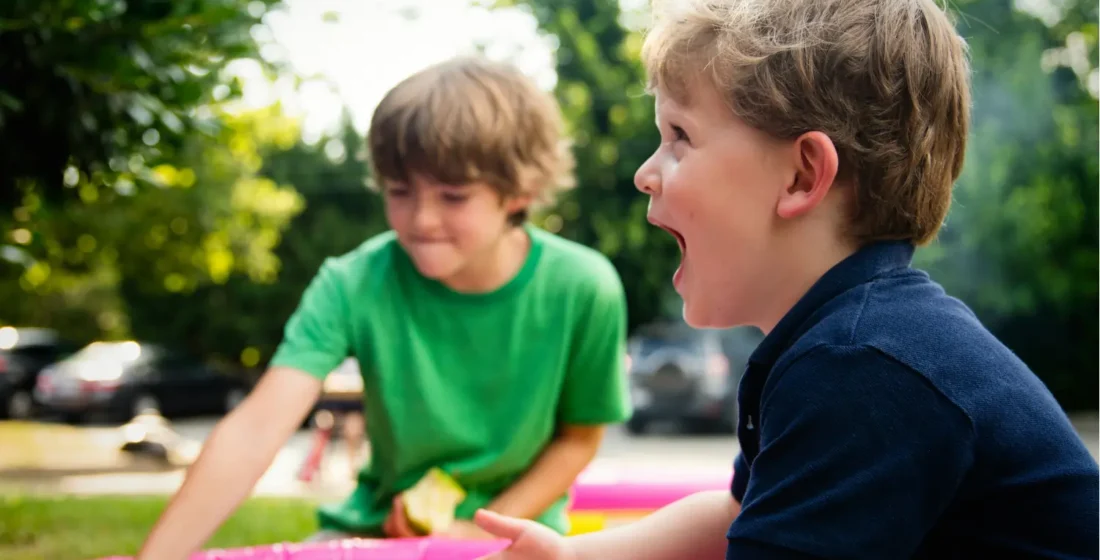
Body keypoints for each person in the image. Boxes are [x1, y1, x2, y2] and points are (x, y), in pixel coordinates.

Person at [471, 0, 1100, 559]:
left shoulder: (863, 366)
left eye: (679, 137)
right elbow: (736, 517)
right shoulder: (847, 340)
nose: (644, 172)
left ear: (801, 177)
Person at [135, 55, 632, 559]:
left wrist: (483, 529)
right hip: (376, 532)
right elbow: (256, 429)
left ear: (519, 192)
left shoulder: (584, 287)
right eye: (400, 191)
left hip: (519, 535)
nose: (421, 218)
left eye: (454, 196)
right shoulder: (352, 282)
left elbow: (579, 438)